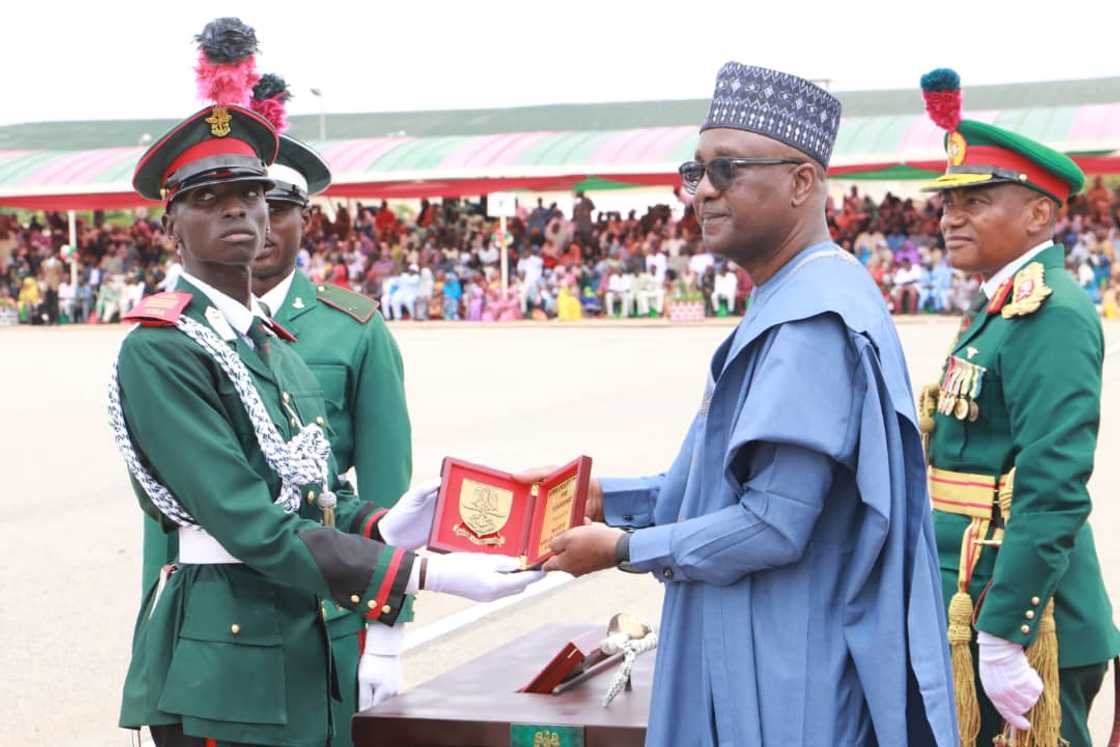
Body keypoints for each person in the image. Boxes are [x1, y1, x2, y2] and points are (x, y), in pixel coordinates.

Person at [537, 62, 955, 746]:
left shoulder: (811, 320)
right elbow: (723, 480)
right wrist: (605, 496)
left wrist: (622, 546)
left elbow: (771, 524)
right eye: (695, 171)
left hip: (786, 676)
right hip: (767, 649)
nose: (703, 191)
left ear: (801, 182)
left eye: (726, 169)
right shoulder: (797, 292)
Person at [115, 102, 544, 747]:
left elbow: (314, 493)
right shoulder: (162, 348)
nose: (236, 210)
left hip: (305, 639)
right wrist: (428, 574)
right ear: (171, 224)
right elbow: (250, 522)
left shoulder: (269, 342)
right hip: (227, 661)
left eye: (251, 194)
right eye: (208, 198)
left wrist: (388, 526)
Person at [916, 68, 1120, 747]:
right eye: (947, 204)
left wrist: (1006, 629)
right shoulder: (1000, 304)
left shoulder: (1050, 312)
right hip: (973, 590)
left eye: (975, 200)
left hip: (1026, 612)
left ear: (1039, 212)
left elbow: (1053, 481)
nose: (952, 218)